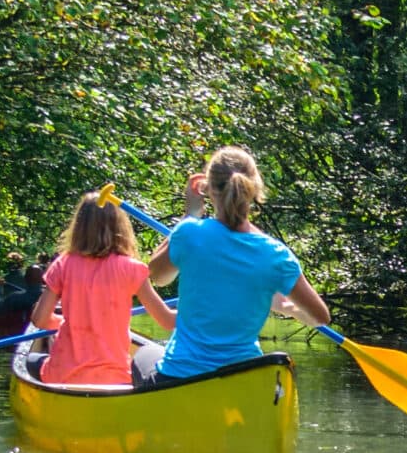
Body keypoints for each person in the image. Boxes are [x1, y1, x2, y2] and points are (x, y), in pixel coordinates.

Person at [139, 146, 332, 383]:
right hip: (242, 377)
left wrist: (190, 214)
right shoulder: (276, 255)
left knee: (143, 355)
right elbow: (320, 317)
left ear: (208, 189)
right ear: (255, 189)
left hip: (181, 374)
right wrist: (288, 308)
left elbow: (158, 277)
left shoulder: (189, 233)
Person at [28, 188, 175, 386]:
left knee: (31, 360)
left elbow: (39, 319)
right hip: (114, 378)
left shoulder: (63, 263)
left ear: (78, 227)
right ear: (120, 226)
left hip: (62, 375)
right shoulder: (133, 269)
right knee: (149, 355)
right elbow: (167, 320)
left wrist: (65, 322)